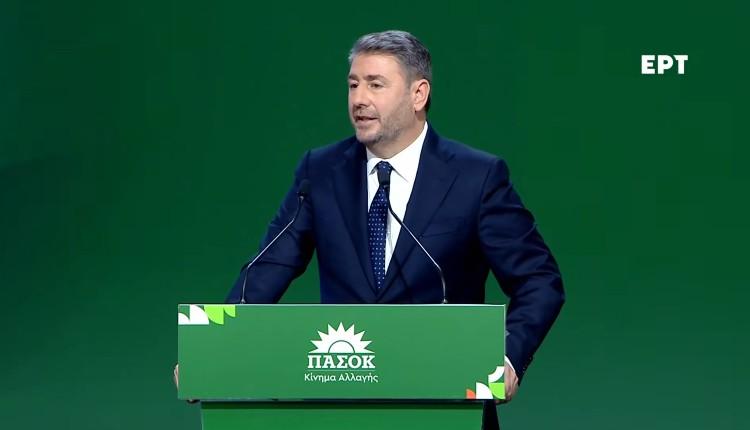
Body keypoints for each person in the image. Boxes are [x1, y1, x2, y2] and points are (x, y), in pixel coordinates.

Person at [187, 30, 564, 429]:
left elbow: (539, 280)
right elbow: (267, 269)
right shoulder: (320, 172)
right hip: (343, 407)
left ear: (418, 95)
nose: (359, 99)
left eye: (375, 85)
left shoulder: (477, 176)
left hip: (446, 404)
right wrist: (212, 351)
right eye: (353, 85)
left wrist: (507, 358)